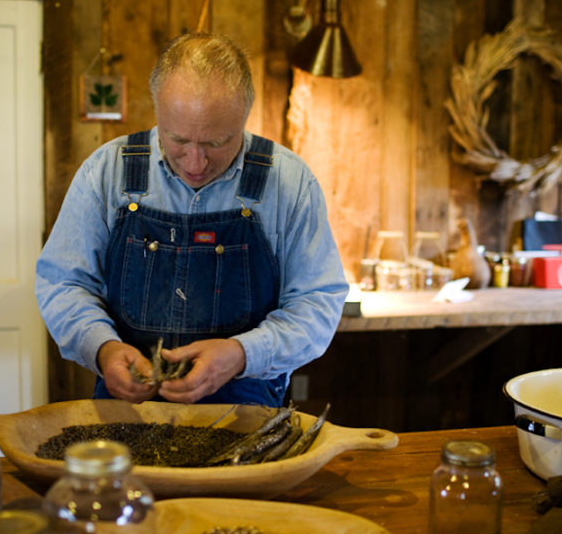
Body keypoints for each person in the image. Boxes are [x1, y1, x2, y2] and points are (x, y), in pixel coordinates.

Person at [35, 33, 348, 407]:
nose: (195, 164)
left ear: (244, 117)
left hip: (243, 407)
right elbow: (63, 283)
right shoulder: (106, 172)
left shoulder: (290, 183)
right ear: (157, 111)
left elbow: (317, 303)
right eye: (178, 140)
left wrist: (242, 354)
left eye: (216, 143)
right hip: (128, 407)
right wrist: (101, 348)